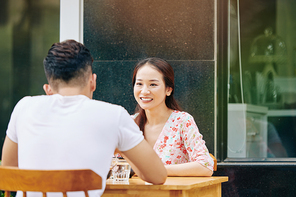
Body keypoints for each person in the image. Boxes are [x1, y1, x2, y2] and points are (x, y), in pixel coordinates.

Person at [1, 40, 167, 197]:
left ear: (49, 85)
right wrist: (119, 145)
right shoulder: (113, 115)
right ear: (92, 82)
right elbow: (157, 175)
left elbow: (9, 169)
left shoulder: (24, 107)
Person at [128, 57, 214, 176]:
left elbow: (205, 166)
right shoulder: (129, 123)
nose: (144, 91)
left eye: (153, 84)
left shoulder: (182, 121)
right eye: (139, 84)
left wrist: (157, 170)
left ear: (168, 90)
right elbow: (111, 162)